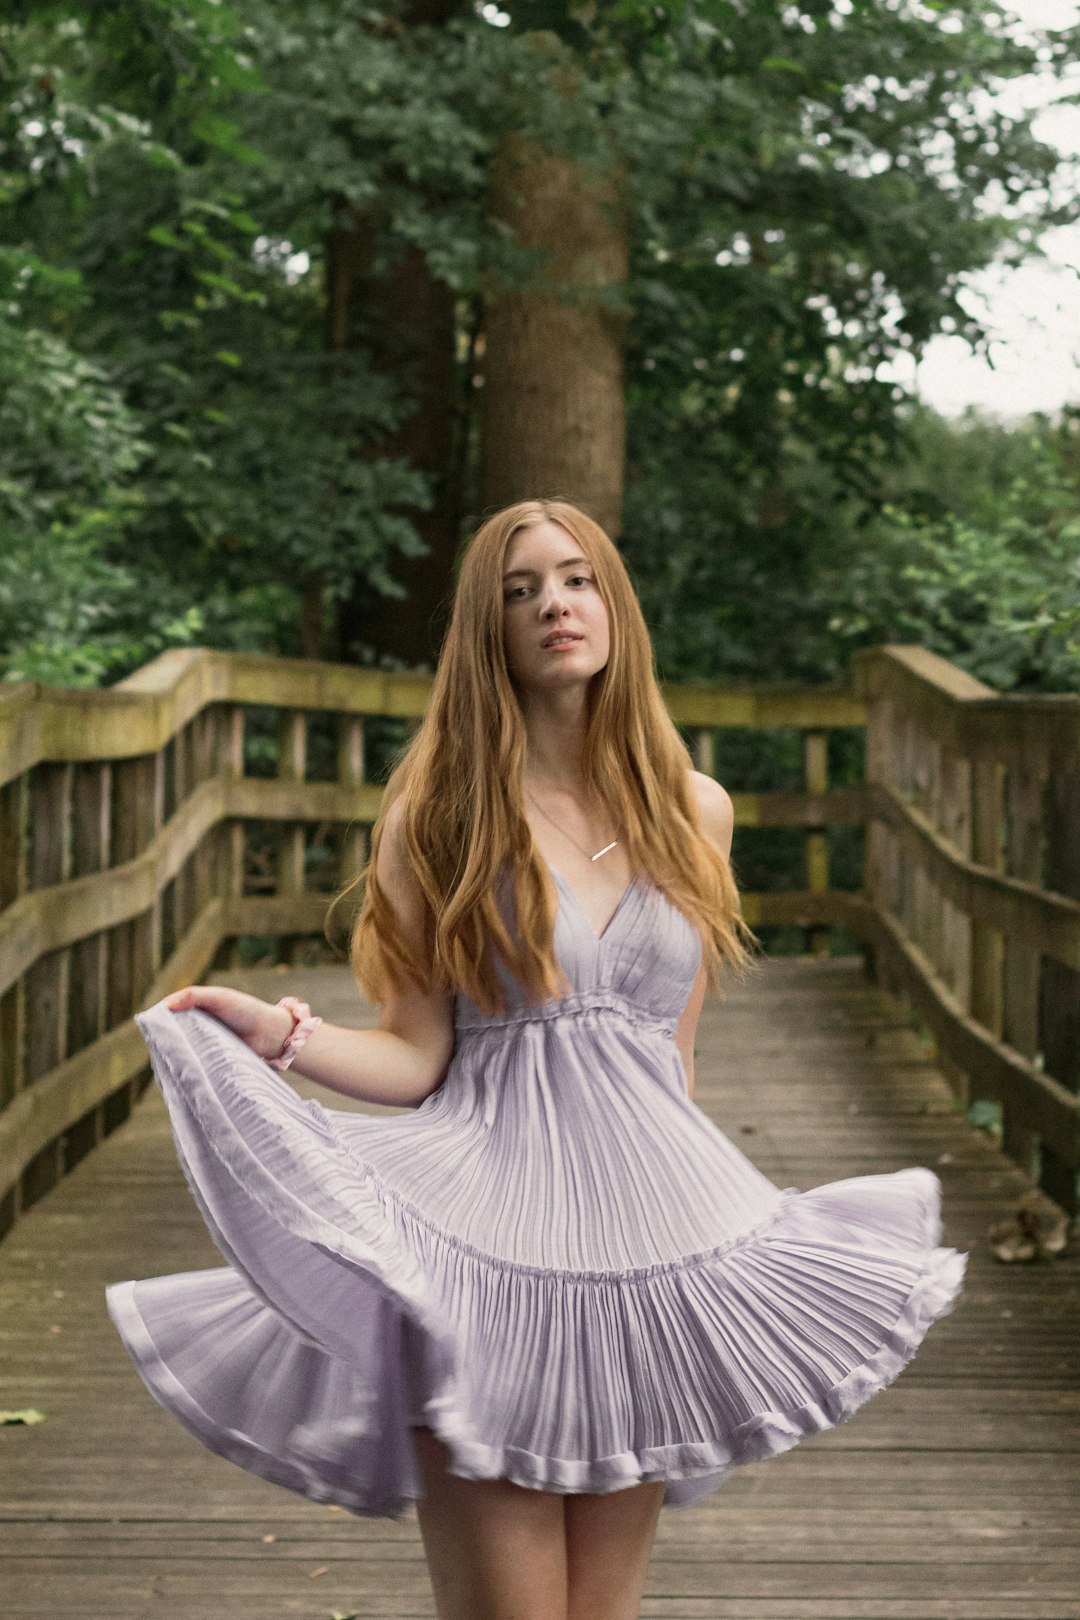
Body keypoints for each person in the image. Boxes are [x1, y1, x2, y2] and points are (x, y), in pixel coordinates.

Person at [106, 498, 967, 1620]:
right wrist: (281, 1036)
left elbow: (674, 1059)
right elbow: (416, 1057)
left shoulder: (692, 812)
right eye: (520, 592)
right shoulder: (440, 815)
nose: (553, 605)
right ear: (490, 630)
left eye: (576, 580)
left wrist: (704, 1240)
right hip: (490, 1258)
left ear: (614, 607)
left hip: (649, 1254)